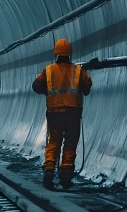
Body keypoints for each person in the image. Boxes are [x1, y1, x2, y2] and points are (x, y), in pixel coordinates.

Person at [32, 38, 92, 190]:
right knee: (70, 144)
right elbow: (87, 88)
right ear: (70, 54)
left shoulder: (49, 70)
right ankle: (65, 176)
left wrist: (47, 92)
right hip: (73, 112)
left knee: (53, 143)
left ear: (56, 53)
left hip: (54, 113)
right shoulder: (78, 71)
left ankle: (49, 170)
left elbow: (36, 86)